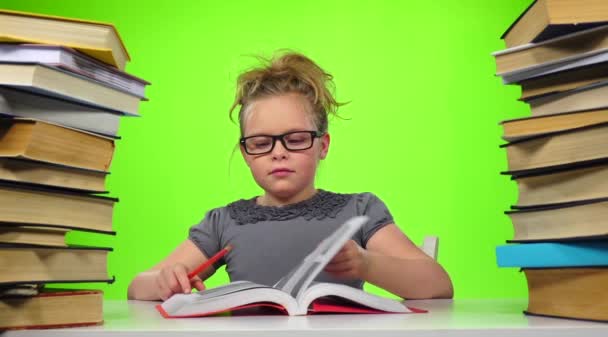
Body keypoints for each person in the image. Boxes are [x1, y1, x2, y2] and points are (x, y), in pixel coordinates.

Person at [127, 52, 453, 301]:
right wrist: (162, 281)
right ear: (245, 153)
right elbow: (136, 289)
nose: (278, 152)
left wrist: (368, 265)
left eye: (295, 139)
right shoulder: (224, 221)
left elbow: (438, 284)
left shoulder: (359, 211)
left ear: (322, 145)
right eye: (261, 143)